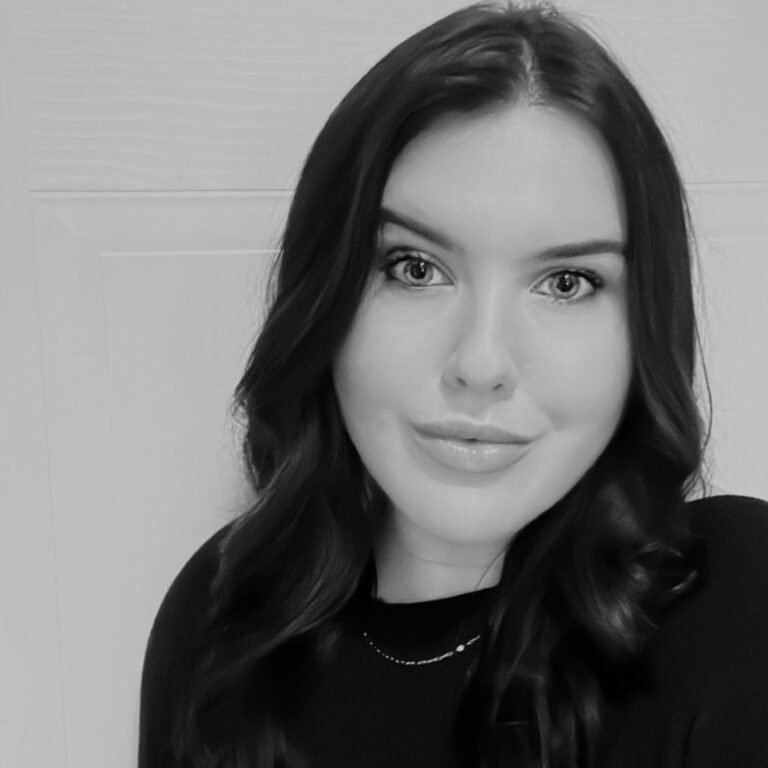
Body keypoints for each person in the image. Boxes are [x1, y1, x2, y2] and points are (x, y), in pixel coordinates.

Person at [138, 2, 768, 766]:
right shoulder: (221, 619)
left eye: (566, 282)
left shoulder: (735, 602)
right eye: (414, 269)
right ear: (325, 296)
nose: (480, 362)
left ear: (643, 327)